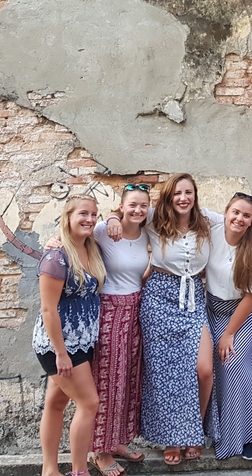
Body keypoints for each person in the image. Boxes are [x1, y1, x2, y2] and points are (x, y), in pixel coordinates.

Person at [135, 174, 215, 465]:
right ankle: (173, 438)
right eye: (177, 193)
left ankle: (194, 430)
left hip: (193, 298)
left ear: (195, 195)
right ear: (169, 197)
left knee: (204, 369)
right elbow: (128, 213)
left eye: (188, 192)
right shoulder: (154, 219)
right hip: (159, 298)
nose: (183, 198)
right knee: (165, 373)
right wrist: (115, 219)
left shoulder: (207, 221)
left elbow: (239, 220)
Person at [33, 195, 107, 476]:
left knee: (56, 403)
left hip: (83, 341)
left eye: (94, 214)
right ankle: (79, 471)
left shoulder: (90, 250)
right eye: (83, 214)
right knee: (89, 403)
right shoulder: (56, 257)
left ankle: (50, 470)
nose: (89, 219)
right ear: (68, 217)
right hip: (59, 345)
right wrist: (61, 353)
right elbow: (48, 309)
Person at [88, 185, 150, 475]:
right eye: (132, 205)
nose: (138, 210)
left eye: (143, 206)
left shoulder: (147, 231)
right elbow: (73, 234)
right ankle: (99, 451)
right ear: (121, 206)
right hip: (110, 310)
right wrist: (53, 242)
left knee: (128, 380)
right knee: (107, 381)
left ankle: (116, 442)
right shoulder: (104, 230)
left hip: (136, 308)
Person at [206, 192, 252, 461]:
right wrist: (116, 217)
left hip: (247, 310)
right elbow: (179, 210)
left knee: (232, 363)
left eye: (247, 216)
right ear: (225, 212)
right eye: (235, 212)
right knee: (216, 367)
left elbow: (251, 297)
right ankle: (222, 431)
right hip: (215, 307)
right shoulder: (212, 227)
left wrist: (229, 334)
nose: (239, 218)